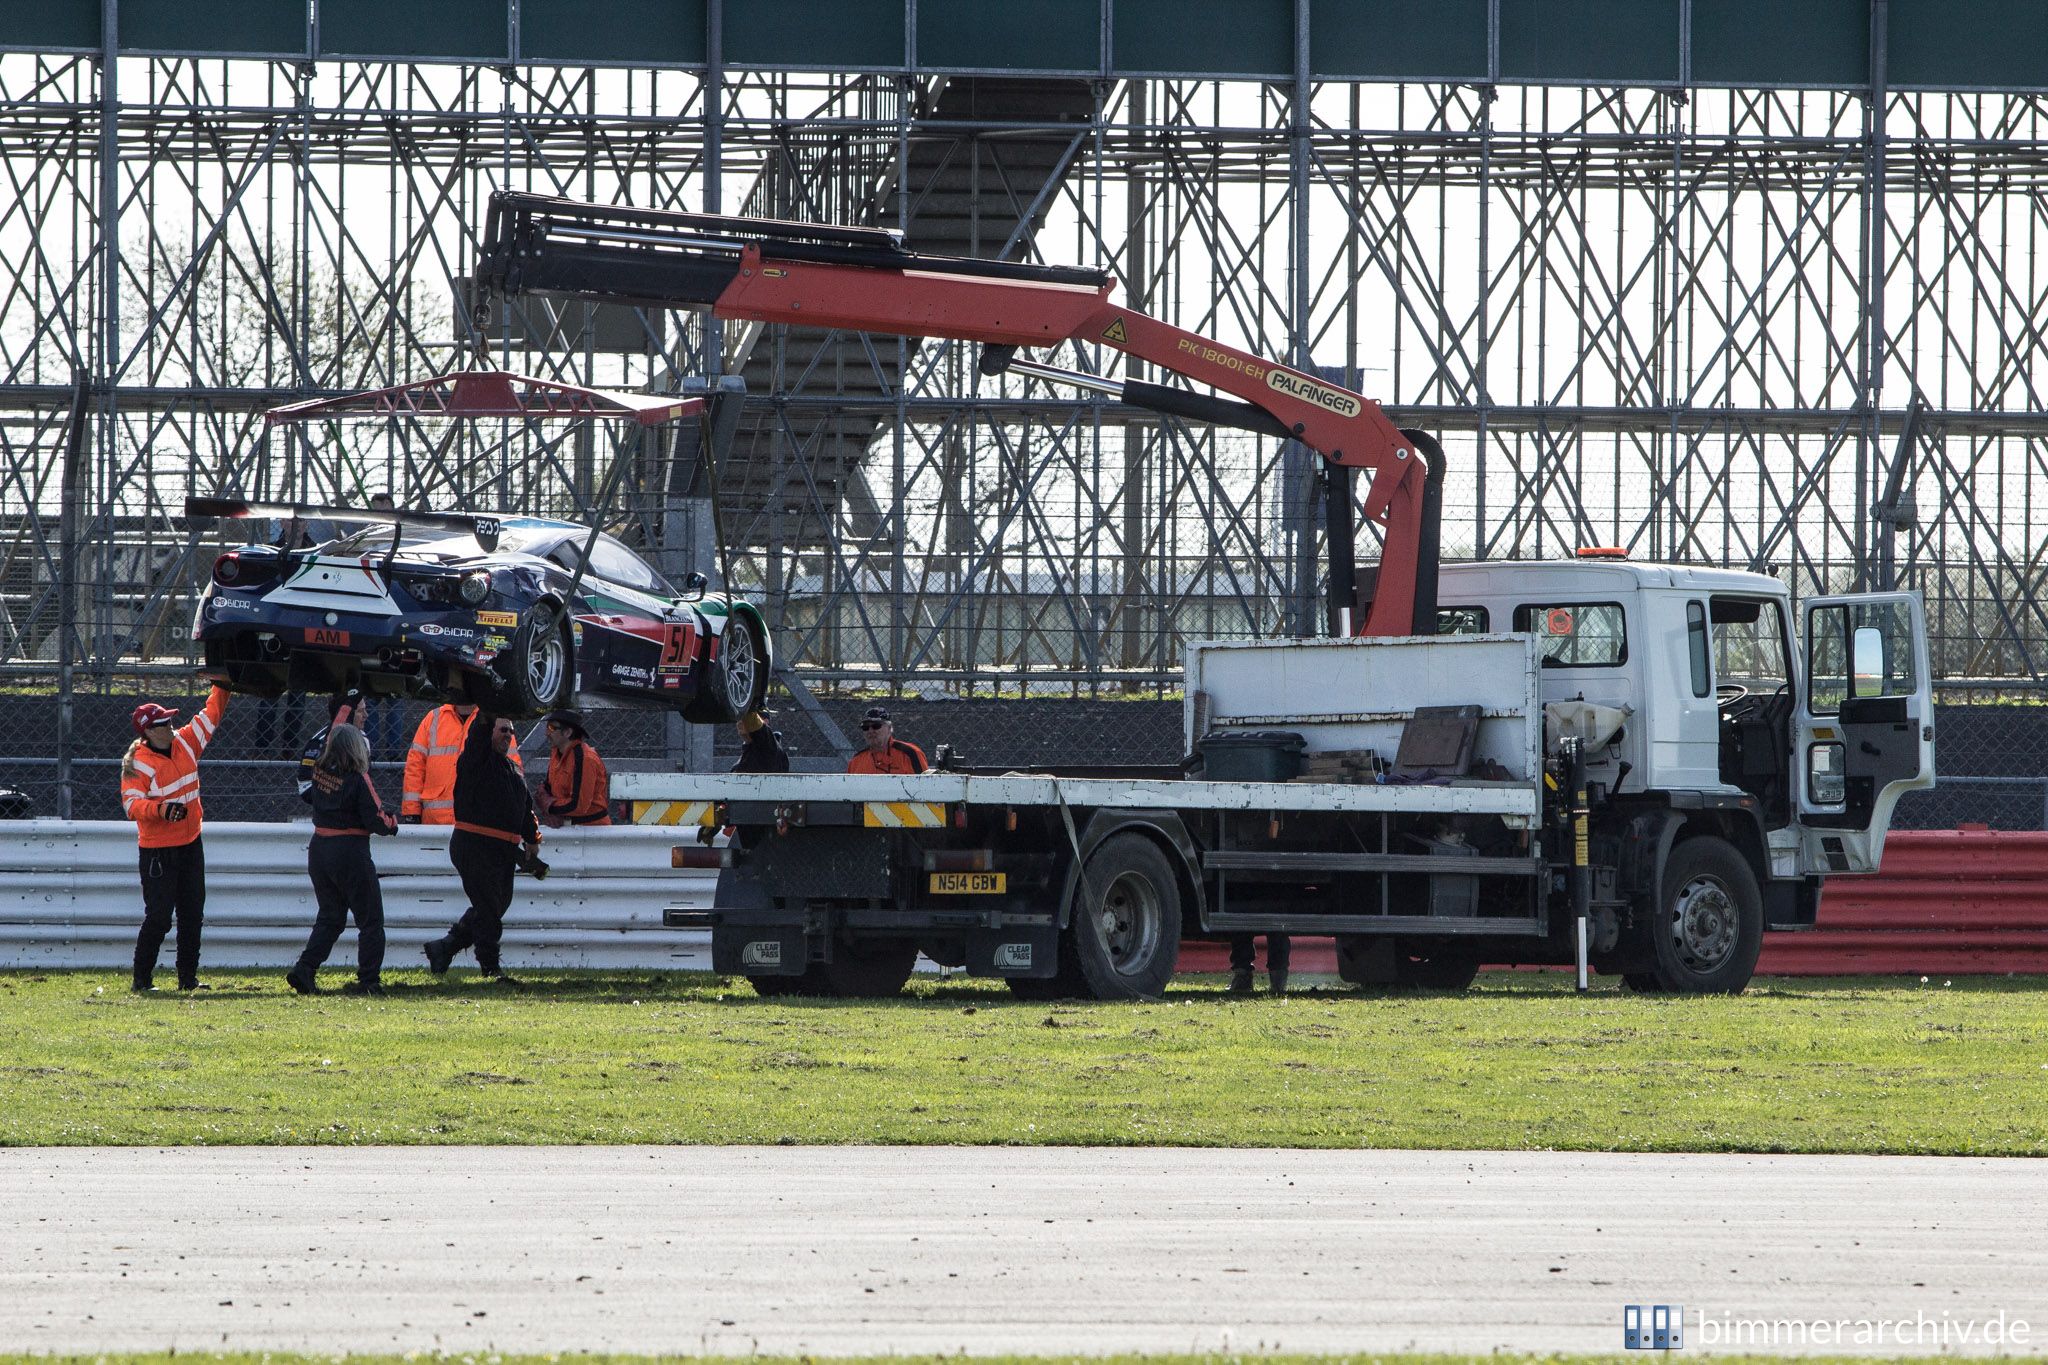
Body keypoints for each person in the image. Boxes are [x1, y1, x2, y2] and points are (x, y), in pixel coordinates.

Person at [120, 681, 231, 993]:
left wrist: (222, 684)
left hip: (191, 843)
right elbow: (131, 804)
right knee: (158, 918)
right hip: (158, 851)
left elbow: (211, 714)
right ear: (149, 732)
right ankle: (141, 981)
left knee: (192, 913)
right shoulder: (136, 763)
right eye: (163, 724)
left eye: (169, 721)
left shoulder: (185, 741)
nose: (171, 726)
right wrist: (161, 811)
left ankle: (188, 979)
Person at [422, 709, 540, 983]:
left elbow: (525, 808)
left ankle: (445, 947)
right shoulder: (474, 759)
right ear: (487, 731)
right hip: (474, 845)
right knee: (488, 909)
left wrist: (532, 839)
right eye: (502, 729)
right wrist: (490, 706)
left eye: (511, 731)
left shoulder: (512, 769)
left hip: (502, 850)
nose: (508, 735)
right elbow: (477, 733)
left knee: (496, 906)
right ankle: (490, 969)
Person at [286, 723, 397, 996]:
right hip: (350, 851)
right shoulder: (359, 778)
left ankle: (305, 969)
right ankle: (369, 980)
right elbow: (376, 819)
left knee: (331, 917)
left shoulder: (320, 772)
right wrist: (392, 823)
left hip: (320, 849)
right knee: (371, 920)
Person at [401, 699, 519, 824]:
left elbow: (512, 772)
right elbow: (415, 768)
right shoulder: (432, 719)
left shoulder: (496, 721)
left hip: (476, 823)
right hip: (435, 823)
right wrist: (412, 813)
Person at [538, 708, 610, 828]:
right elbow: (550, 786)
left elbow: (578, 806)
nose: (547, 733)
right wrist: (545, 797)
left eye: (551, 728)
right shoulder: (557, 752)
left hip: (591, 830)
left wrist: (550, 806)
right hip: (569, 826)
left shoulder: (585, 759)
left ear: (567, 732)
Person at [297, 688, 364, 802]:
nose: (366, 715)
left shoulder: (363, 738)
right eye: (360, 711)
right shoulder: (317, 742)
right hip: (330, 812)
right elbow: (305, 788)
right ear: (348, 713)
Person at [845, 706, 926, 775]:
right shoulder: (856, 761)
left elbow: (926, 787)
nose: (870, 731)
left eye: (876, 726)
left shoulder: (910, 754)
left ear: (889, 728)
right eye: (865, 727)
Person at [733, 709, 790, 774]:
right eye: (740, 719)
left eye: (745, 719)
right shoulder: (749, 750)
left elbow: (756, 725)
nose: (740, 722)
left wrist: (747, 705)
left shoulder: (769, 748)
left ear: (765, 722)